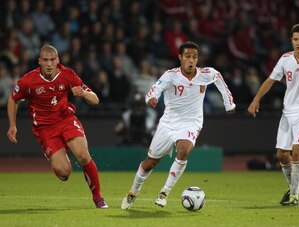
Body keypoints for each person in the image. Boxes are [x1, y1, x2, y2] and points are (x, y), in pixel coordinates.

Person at [121, 41, 236, 209]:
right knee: (149, 163)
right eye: (188, 56)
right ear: (180, 57)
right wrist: (151, 99)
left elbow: (220, 81)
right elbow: (154, 90)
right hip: (168, 123)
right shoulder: (170, 75)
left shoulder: (207, 74)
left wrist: (229, 104)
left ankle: (164, 192)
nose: (191, 60)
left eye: (195, 57)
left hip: (191, 122)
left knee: (184, 151)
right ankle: (133, 192)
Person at [6, 45, 108, 209]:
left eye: (52, 60)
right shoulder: (28, 81)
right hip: (45, 128)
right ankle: (59, 165)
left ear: (58, 61)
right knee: (64, 171)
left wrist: (84, 93)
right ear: (39, 61)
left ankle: (98, 198)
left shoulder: (68, 75)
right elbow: (13, 99)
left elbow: (95, 99)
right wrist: (12, 125)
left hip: (66, 120)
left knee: (82, 155)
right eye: (45, 60)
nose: (49, 64)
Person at [247, 24, 299, 206]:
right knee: (282, 155)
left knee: (297, 150)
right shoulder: (285, 59)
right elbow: (271, 80)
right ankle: (294, 185)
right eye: (295, 39)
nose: (298, 43)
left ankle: (294, 196)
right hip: (288, 112)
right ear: (291, 41)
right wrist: (256, 99)